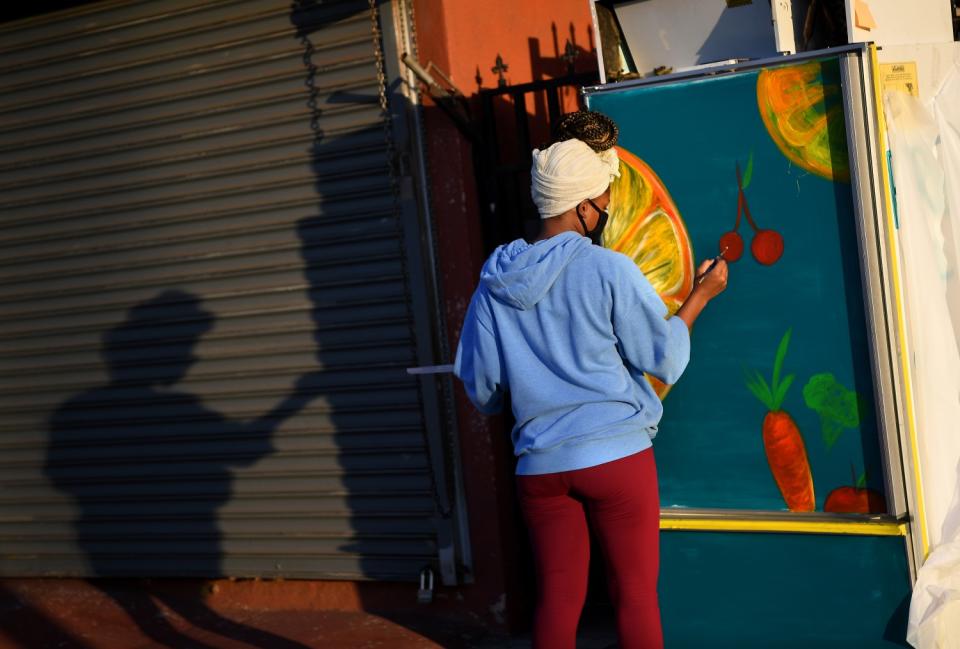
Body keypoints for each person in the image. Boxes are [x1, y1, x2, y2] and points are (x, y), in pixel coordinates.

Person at [453, 112, 728, 649]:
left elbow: (481, 390)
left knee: (557, 603)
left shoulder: (494, 281)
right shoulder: (607, 269)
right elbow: (665, 358)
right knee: (634, 597)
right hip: (616, 460)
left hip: (539, 468)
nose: (605, 213)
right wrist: (701, 296)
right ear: (582, 207)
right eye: (603, 203)